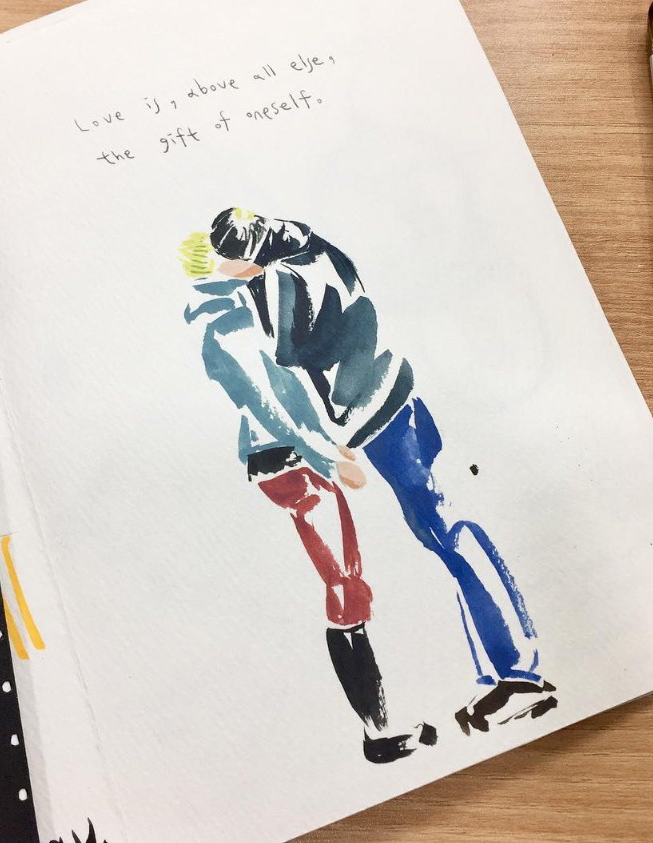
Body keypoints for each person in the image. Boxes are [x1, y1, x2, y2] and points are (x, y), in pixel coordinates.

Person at [181, 209, 556, 761]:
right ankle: (510, 673)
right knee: (442, 532)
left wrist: (328, 450)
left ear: (246, 257)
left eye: (232, 260)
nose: (228, 269)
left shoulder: (283, 282)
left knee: (411, 547)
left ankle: (490, 686)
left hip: (366, 422)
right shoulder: (316, 251)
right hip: (394, 403)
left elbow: (285, 360)